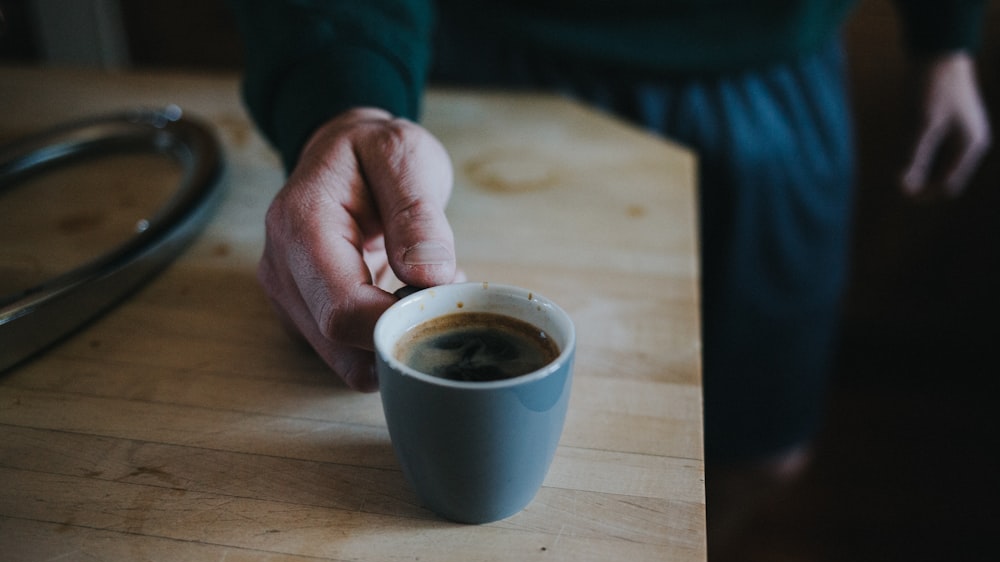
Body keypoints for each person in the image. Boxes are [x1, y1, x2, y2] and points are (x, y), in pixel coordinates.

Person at [228, 1, 991, 513]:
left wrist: (945, 36)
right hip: (493, 75)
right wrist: (347, 99)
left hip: (770, 75)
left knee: (766, 450)